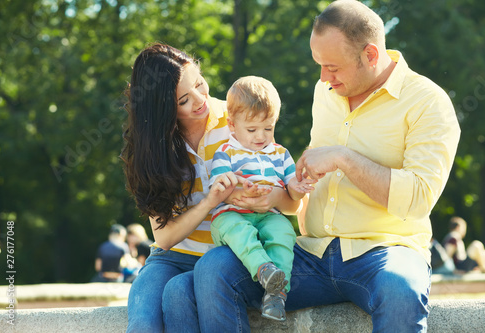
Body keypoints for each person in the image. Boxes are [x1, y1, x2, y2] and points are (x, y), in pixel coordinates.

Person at [162, 1, 461, 332]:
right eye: (320, 65)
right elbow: (307, 173)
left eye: (332, 67)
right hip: (311, 253)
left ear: (371, 56)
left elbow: (418, 198)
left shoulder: (428, 103)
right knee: (214, 268)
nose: (323, 77)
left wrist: (342, 158)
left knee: (401, 290)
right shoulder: (327, 89)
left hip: (383, 253)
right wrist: (275, 192)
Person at [121, 43, 300, 332]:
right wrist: (209, 201)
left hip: (226, 254)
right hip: (172, 256)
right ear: (162, 109)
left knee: (178, 294)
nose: (200, 100)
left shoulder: (239, 119)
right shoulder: (153, 148)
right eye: (183, 101)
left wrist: (266, 196)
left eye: (199, 84)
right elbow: (164, 238)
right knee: (143, 321)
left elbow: (287, 195)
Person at [209, 76, 316, 321]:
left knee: (284, 233)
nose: (261, 136)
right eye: (252, 129)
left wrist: (299, 187)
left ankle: (277, 293)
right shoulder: (226, 153)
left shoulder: (280, 153)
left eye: (268, 128)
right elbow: (218, 187)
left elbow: (292, 190)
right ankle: (264, 269)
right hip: (232, 214)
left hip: (269, 215)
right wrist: (239, 187)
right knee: (238, 231)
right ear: (232, 125)